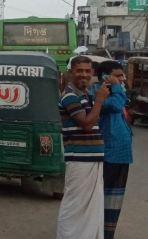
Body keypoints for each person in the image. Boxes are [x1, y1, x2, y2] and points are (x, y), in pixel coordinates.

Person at [57, 56, 106, 239]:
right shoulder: (70, 96)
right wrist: (100, 100)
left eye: (87, 71)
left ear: (92, 73)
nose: (83, 75)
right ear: (71, 72)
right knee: (74, 205)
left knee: (90, 208)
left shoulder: (85, 95)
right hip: (79, 159)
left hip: (91, 158)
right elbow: (86, 124)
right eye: (79, 71)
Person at [93, 61, 132, 239]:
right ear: (104, 77)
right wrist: (116, 88)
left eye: (122, 75)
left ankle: (106, 233)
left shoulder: (115, 92)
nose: (122, 79)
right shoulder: (99, 93)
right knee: (102, 198)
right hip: (108, 154)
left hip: (120, 156)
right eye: (118, 75)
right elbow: (115, 106)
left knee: (113, 200)